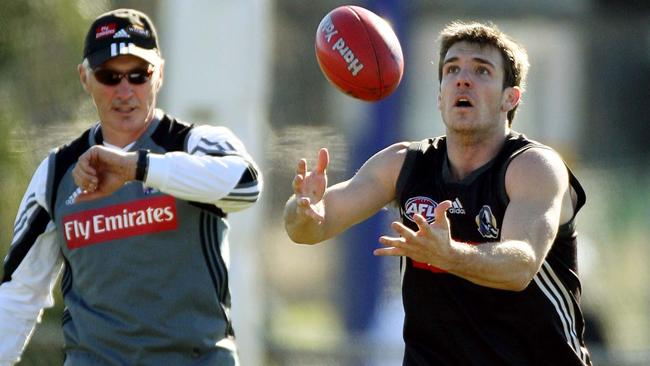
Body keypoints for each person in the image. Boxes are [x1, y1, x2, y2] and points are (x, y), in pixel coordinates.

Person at [284, 20, 592, 365]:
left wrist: (449, 255)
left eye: (482, 71)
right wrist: (304, 208)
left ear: (511, 97)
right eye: (452, 69)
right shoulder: (404, 163)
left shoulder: (533, 167)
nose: (463, 79)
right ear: (440, 95)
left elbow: (519, 266)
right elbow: (311, 228)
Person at [0, 8, 261, 365]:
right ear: (85, 78)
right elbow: (19, 293)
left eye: (139, 74)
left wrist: (138, 167)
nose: (125, 91)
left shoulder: (196, 144)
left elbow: (247, 186)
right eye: (109, 75)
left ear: (160, 75)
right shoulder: (56, 172)